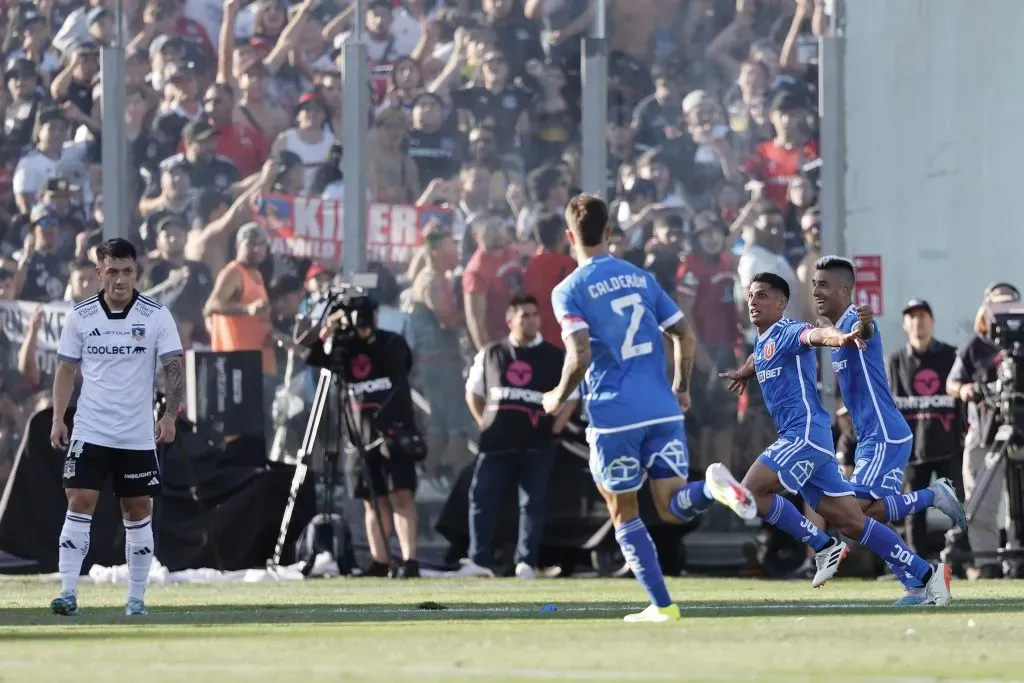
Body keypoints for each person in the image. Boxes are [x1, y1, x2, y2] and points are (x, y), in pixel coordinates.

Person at [543, 195, 756, 623]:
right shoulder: (641, 278)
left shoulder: (569, 289)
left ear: (570, 237)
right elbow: (684, 334)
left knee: (625, 511)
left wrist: (557, 395)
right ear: (608, 233)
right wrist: (681, 387)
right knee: (672, 505)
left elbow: (580, 353)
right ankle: (712, 490)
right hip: (661, 407)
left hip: (613, 414)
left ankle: (663, 606)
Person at [719, 272, 951, 606]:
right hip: (811, 441)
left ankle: (823, 545)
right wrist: (745, 370)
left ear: (782, 303)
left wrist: (840, 338)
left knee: (752, 490)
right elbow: (761, 356)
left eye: (763, 296)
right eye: (751, 296)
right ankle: (928, 576)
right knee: (854, 522)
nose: (754, 302)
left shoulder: (789, 331)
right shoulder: (764, 340)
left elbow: (816, 335)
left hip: (805, 436)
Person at [808, 257, 966, 603]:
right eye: (814, 284)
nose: (816, 291)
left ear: (844, 290)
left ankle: (932, 498)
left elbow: (867, 332)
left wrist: (864, 326)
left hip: (883, 434)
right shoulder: (834, 330)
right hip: (872, 435)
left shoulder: (855, 321)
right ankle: (916, 582)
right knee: (870, 513)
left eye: (823, 284)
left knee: (855, 513)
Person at [48, 238, 185, 617]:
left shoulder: (156, 316)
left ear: (136, 272)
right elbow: (65, 370)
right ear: (99, 274)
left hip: (135, 432)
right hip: (90, 428)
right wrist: (60, 418)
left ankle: (136, 599)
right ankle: (67, 592)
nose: (120, 280)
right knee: (79, 501)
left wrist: (170, 414)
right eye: (112, 272)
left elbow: (174, 368)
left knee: (138, 510)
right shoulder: (81, 316)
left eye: (127, 271)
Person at [460, 294, 577, 579]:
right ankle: (479, 561)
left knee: (532, 502)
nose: (531, 319)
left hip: (537, 444)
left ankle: (525, 562)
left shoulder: (554, 355)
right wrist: (485, 423)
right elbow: (473, 393)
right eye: (524, 315)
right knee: (481, 497)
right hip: (496, 444)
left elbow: (572, 398)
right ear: (510, 320)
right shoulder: (491, 352)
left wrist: (554, 429)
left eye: (534, 314)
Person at [312, 292, 421, 579]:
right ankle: (380, 561)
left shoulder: (391, 342)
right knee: (372, 502)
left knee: (401, 495)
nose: (361, 323)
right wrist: (330, 332)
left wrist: (368, 339)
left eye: (366, 315)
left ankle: (410, 561)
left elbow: (403, 364)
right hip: (358, 437)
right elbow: (313, 357)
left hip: (393, 433)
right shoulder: (342, 348)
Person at [945, 282, 1021, 579]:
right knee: (981, 501)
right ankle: (986, 562)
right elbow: (952, 384)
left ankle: (1017, 558)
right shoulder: (973, 346)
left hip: (1020, 427)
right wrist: (968, 390)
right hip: (984, 434)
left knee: (1019, 501)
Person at [888, 299, 964, 558]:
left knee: (957, 507)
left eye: (923, 316)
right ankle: (914, 562)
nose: (918, 322)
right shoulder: (896, 362)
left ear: (932, 321)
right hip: (913, 451)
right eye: (912, 317)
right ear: (905, 324)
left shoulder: (951, 356)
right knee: (912, 510)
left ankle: (961, 559)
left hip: (948, 447)